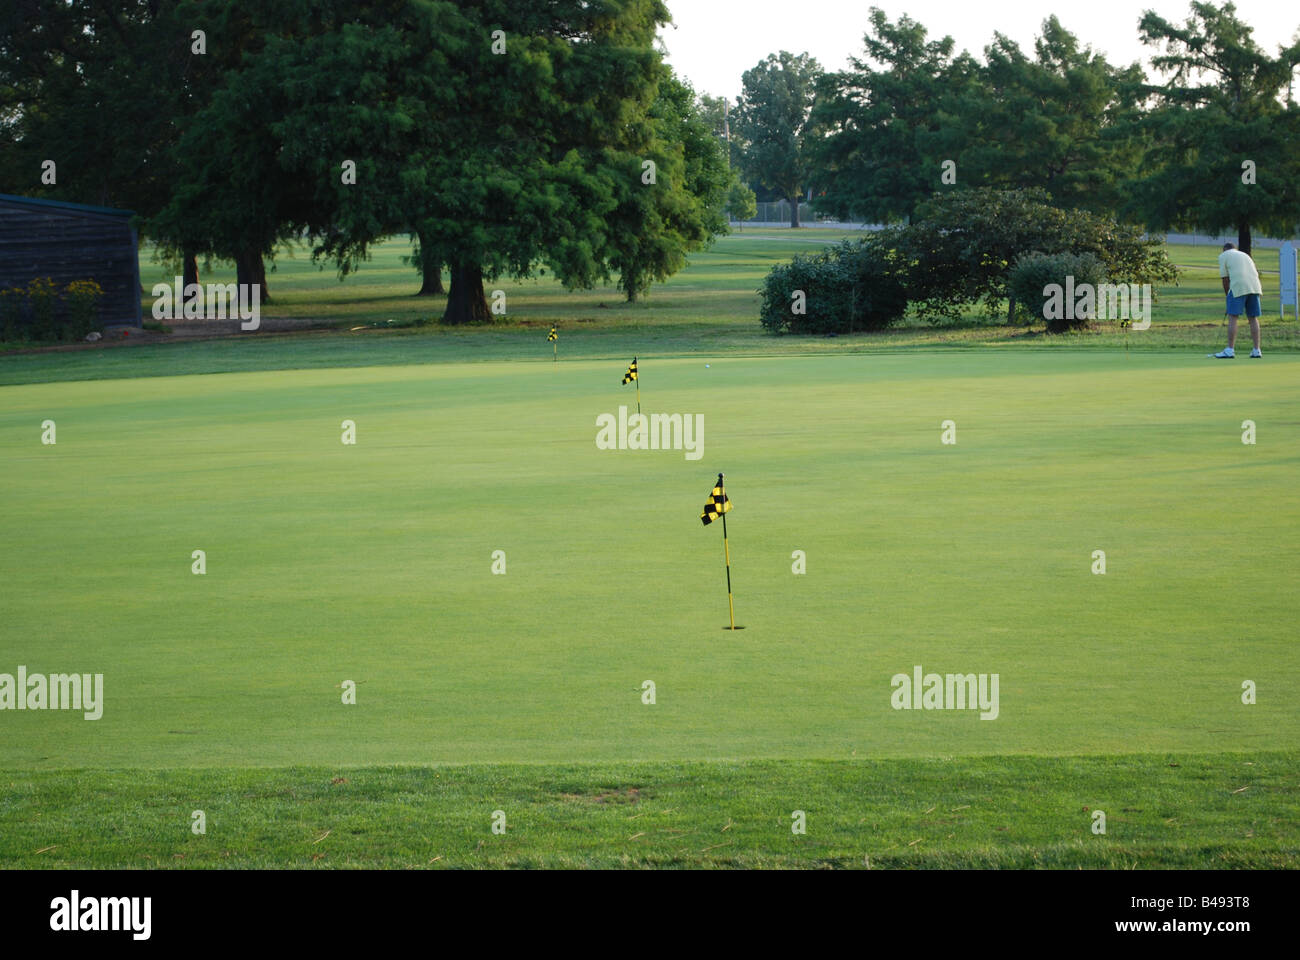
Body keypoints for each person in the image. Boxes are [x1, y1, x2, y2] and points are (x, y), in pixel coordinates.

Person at [1211, 243, 1263, 359]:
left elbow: (1225, 279)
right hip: (1255, 287)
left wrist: (1227, 297)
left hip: (1238, 286)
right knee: (1253, 318)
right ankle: (1256, 350)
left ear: (1224, 250)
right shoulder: (1245, 255)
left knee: (1233, 317)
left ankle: (1230, 350)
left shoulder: (1223, 256)